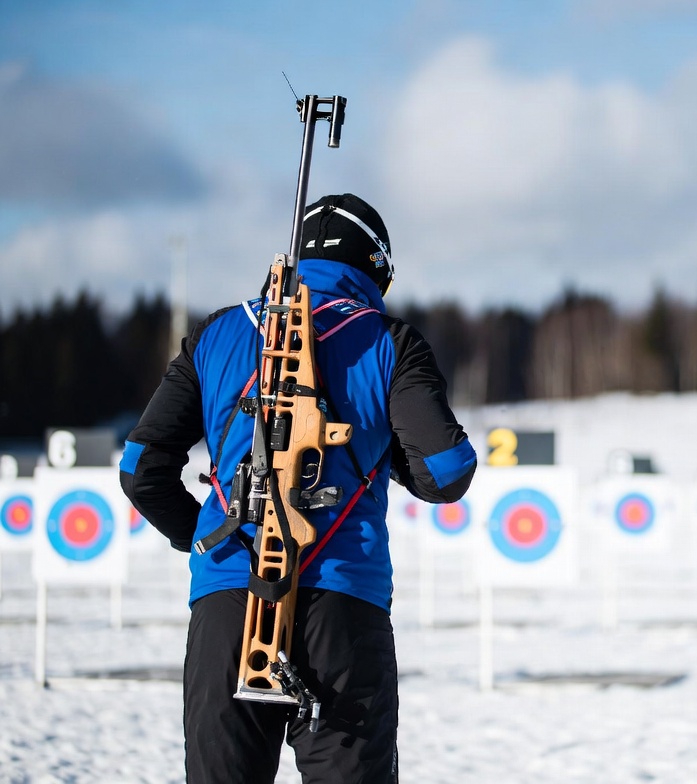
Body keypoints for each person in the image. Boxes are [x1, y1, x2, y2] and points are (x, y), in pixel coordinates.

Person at [120, 193, 476, 783]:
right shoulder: (390, 341)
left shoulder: (218, 332)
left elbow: (140, 468)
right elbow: (446, 470)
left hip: (228, 607)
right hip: (343, 609)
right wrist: (384, 450)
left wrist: (208, 540)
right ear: (375, 267)